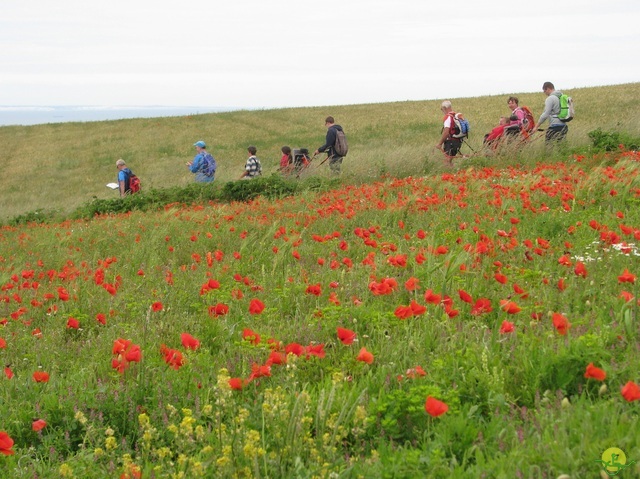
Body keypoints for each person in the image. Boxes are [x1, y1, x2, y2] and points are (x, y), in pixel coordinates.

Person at [436, 101, 463, 166]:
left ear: (445, 108)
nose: (442, 111)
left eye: (442, 109)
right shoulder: (455, 116)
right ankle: (453, 174)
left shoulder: (448, 117)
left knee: (447, 162)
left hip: (451, 142)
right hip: (458, 142)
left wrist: (439, 144)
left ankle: (450, 175)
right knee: (449, 161)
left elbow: (446, 132)